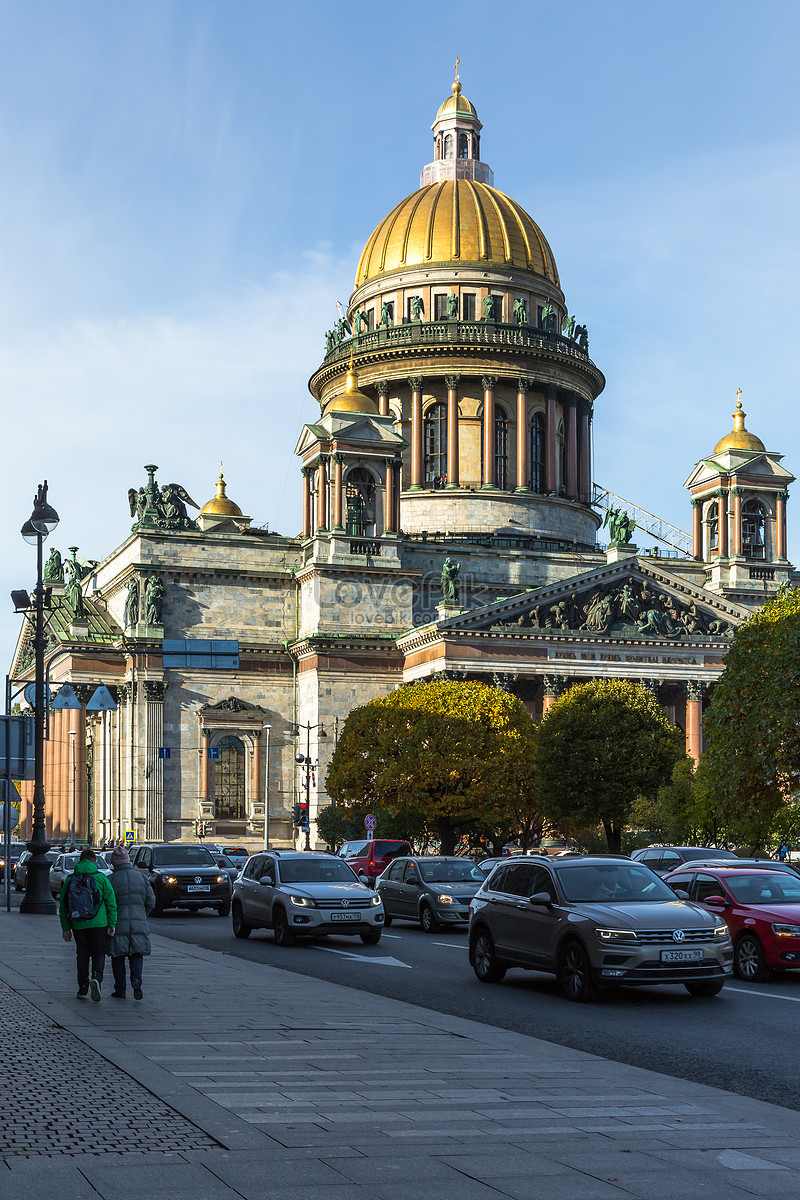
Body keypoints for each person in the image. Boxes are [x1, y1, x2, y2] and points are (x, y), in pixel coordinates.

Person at [59, 848, 117, 1001]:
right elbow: (111, 903)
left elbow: (63, 906)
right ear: (94, 861)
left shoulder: (70, 879)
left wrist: (66, 928)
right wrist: (112, 924)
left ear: (80, 861)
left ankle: (82, 988)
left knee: (82, 955)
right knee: (99, 953)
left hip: (78, 924)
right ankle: (97, 978)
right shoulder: (101, 878)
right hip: (100, 923)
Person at [108, 845, 156, 1000]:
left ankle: (120, 989)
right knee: (136, 954)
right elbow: (151, 901)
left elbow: (106, 903)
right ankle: (136, 980)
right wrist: (143, 914)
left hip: (117, 924)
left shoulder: (111, 880)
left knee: (117, 956)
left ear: (114, 863)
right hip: (138, 922)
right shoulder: (141, 877)